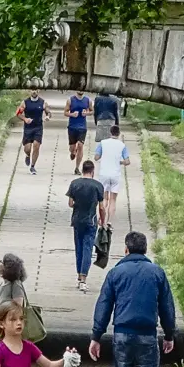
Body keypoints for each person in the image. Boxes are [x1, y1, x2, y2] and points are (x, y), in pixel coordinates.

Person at [89, 232, 176, 367]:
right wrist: (169, 334)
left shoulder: (115, 273)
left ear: (126, 250)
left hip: (122, 335)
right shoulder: (157, 273)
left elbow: (104, 305)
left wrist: (96, 336)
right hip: (147, 335)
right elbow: (166, 307)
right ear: (145, 250)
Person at [66, 161, 105, 293]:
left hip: (77, 220)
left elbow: (70, 203)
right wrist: (103, 221)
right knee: (87, 248)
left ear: (82, 170)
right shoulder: (98, 186)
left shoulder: (74, 184)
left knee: (79, 247)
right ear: (92, 171)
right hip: (91, 220)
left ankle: (79, 275)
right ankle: (83, 278)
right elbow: (101, 207)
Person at [94, 125, 131, 228]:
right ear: (118, 134)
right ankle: (109, 222)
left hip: (104, 173)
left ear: (110, 133)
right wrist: (120, 162)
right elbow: (127, 161)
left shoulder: (103, 143)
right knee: (113, 200)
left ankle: (102, 220)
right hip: (115, 174)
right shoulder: (122, 145)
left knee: (104, 198)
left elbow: (96, 157)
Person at [18, 90, 51, 175]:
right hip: (28, 128)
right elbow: (18, 113)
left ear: (38, 91)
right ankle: (28, 155)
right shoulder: (25, 102)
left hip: (38, 128)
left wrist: (47, 117)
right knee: (27, 148)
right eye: (32, 90)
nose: (34, 92)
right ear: (30, 91)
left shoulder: (43, 102)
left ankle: (32, 166)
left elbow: (48, 112)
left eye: (35, 90)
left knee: (36, 146)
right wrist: (25, 119)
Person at [64, 91, 92, 176]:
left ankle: (77, 168)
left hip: (82, 127)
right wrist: (72, 114)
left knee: (80, 145)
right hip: (72, 127)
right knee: (72, 148)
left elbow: (92, 111)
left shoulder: (88, 100)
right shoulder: (70, 100)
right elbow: (65, 112)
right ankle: (73, 152)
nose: (81, 91)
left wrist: (86, 113)